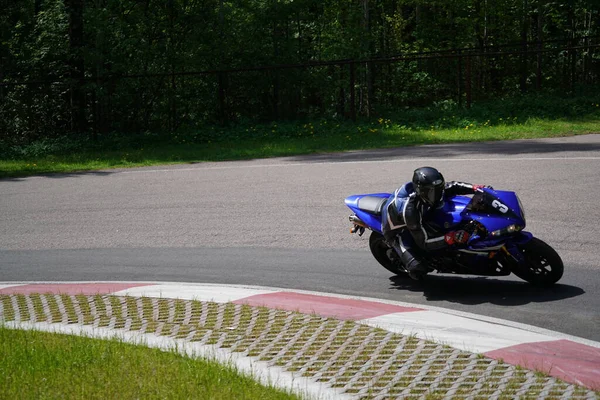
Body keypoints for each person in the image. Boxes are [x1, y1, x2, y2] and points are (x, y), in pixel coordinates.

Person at [381, 166, 491, 280]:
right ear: (421, 191)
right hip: (397, 229)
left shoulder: (429, 190)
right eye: (433, 192)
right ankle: (410, 264)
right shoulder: (410, 210)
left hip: (421, 216)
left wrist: (474, 188)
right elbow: (424, 242)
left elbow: (451, 186)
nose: (439, 194)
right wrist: (450, 237)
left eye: (439, 189)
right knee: (418, 268)